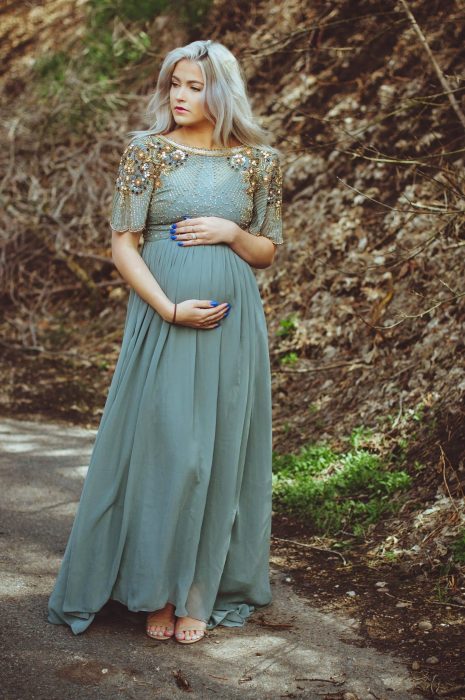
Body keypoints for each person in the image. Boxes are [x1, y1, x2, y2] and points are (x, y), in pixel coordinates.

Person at [47, 38, 284, 645]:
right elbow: (123, 243)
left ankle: (199, 592)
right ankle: (156, 590)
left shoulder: (258, 162)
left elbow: (267, 252)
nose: (180, 96)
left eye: (194, 86)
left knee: (219, 454)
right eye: (174, 84)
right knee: (171, 452)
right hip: (164, 320)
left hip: (233, 329)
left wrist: (233, 230)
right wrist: (168, 308)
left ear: (221, 91)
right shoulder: (147, 153)